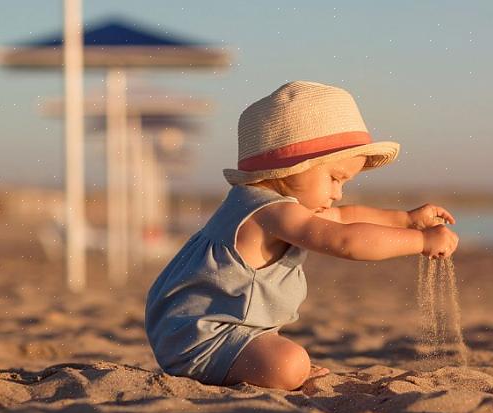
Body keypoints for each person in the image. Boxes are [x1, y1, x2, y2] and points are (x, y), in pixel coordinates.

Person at [145, 81, 459, 390]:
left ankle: (256, 359)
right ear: (293, 167)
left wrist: (406, 220)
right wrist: (421, 242)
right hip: (204, 338)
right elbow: (345, 240)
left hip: (205, 329)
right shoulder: (270, 212)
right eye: (335, 178)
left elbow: (345, 217)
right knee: (290, 364)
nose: (338, 193)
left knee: (286, 356)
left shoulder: (266, 204)